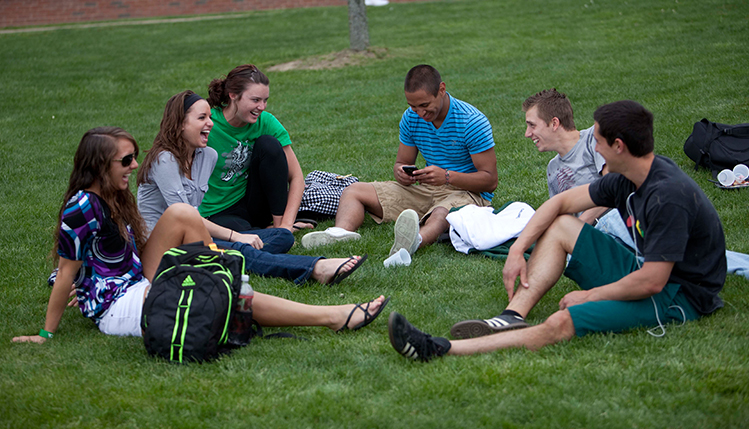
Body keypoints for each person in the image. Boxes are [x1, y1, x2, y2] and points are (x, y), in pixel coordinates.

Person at [388, 100, 727, 362]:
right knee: (563, 224)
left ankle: (439, 349)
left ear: (619, 146)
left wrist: (590, 295)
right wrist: (519, 250)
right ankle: (511, 316)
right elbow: (560, 205)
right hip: (648, 272)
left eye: (596, 139)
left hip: (678, 296)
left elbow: (653, 281)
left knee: (561, 322)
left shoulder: (667, 196)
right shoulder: (631, 175)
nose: (591, 145)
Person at [12, 127, 388, 344]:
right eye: (125, 161)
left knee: (183, 214)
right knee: (229, 298)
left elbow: (110, 254)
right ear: (98, 165)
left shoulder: (113, 195)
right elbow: (66, 270)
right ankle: (333, 316)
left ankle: (229, 276)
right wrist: (46, 334)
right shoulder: (82, 207)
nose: (134, 166)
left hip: (138, 278)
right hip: (118, 305)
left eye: (134, 157)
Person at [135, 91, 368, 286]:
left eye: (209, 117)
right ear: (180, 123)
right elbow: (187, 214)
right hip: (166, 247)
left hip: (195, 236)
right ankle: (317, 267)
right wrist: (236, 237)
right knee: (241, 249)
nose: (210, 123)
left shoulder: (206, 156)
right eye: (201, 118)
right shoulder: (164, 160)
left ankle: (241, 254)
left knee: (282, 236)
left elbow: (194, 217)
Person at [302, 64, 498, 257]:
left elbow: (490, 182)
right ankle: (340, 233)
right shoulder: (411, 118)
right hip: (427, 189)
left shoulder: (471, 121)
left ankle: (415, 241)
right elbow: (401, 162)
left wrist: (447, 177)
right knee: (354, 190)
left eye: (425, 105)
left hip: (468, 194)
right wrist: (401, 172)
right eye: (413, 106)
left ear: (441, 89)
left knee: (441, 214)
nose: (420, 113)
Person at [200, 64, 313, 233]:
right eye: (255, 100)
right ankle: (265, 231)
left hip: (253, 204)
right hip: (216, 212)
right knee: (246, 238)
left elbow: (297, 177)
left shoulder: (265, 122)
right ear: (233, 95)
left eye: (265, 100)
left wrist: (286, 226)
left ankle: (277, 226)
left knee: (269, 144)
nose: (262, 106)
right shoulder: (208, 123)